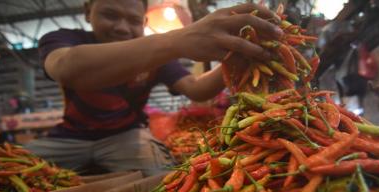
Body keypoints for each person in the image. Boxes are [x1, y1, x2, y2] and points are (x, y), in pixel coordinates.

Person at [27, 0, 283, 175]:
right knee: (10, 171)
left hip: (126, 136)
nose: (121, 27)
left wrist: (234, 58)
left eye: (133, 20)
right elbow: (66, 67)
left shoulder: (155, 55)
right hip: (68, 137)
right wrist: (177, 40)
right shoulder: (64, 39)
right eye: (110, 15)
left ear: (144, 20)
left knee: (161, 181)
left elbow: (196, 89)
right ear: (87, 11)